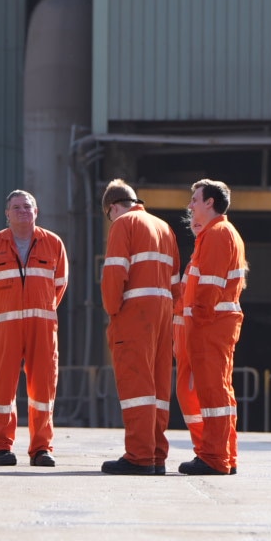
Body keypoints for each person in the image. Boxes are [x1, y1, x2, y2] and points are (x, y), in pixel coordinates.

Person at [0, 189, 68, 467]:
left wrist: (42, 312)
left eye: (28, 206)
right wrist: (1, 316)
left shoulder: (53, 243)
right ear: (7, 214)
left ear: (36, 212)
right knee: (3, 388)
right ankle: (0, 448)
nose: (23, 211)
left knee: (43, 390)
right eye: (16, 207)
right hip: (6, 328)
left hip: (42, 328)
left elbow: (59, 285)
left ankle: (41, 449)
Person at [98, 180, 180, 476]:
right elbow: (175, 282)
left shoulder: (123, 225)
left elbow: (114, 274)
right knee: (157, 387)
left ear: (113, 208)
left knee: (136, 385)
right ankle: (156, 454)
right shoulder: (164, 227)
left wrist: (112, 311)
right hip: (163, 314)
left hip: (134, 315)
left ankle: (139, 455)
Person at [175, 178, 247, 476]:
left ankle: (215, 457)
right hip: (215, 323)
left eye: (195, 199)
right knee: (219, 392)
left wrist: (198, 323)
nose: (190, 205)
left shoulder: (218, 234)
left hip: (210, 324)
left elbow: (210, 286)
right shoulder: (219, 233)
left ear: (210, 202)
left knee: (213, 392)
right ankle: (223, 456)